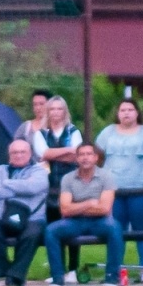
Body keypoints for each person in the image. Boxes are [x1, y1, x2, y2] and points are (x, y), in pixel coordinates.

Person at [94, 98, 143, 276]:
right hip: (114, 191)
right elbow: (97, 158)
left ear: (137, 112)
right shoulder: (107, 133)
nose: (126, 113)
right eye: (123, 110)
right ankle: (115, 270)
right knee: (116, 228)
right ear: (117, 113)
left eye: (130, 109)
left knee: (142, 229)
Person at [44, 142, 122, 286]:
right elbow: (65, 210)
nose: (85, 158)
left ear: (96, 158)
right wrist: (89, 203)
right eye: (81, 155)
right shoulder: (67, 178)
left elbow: (104, 208)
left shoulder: (106, 177)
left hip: (100, 221)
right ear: (76, 158)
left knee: (115, 228)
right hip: (74, 222)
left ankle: (111, 277)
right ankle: (57, 278)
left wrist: (77, 207)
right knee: (51, 230)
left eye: (89, 154)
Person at [0, 139, 48, 286]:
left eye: (23, 152)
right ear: (9, 155)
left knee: (32, 234)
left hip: (32, 218)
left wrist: (6, 183)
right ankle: (8, 272)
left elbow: (33, 187)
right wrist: (21, 188)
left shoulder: (39, 171)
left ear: (30, 154)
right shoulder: (0, 170)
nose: (18, 155)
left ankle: (15, 277)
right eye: (14, 152)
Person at [30, 95, 81, 223]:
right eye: (52, 109)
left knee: (71, 225)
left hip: (71, 184)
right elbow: (44, 154)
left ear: (65, 111)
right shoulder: (40, 133)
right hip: (48, 186)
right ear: (48, 112)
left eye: (59, 109)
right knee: (52, 224)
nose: (56, 112)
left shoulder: (73, 131)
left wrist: (52, 154)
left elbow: (77, 156)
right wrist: (69, 150)